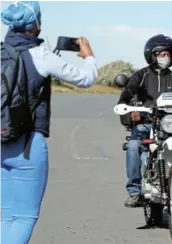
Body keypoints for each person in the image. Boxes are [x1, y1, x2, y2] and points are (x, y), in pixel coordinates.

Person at [1, 2, 98, 244]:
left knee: (5, 216)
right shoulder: (41, 55)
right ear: (36, 25)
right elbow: (87, 79)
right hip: (27, 145)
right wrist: (89, 57)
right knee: (23, 217)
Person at [117, 34, 172, 208]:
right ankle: (134, 192)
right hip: (146, 124)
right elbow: (123, 100)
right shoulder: (140, 76)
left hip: (171, 125)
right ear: (152, 55)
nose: (165, 57)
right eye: (161, 54)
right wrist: (130, 114)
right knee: (134, 147)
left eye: (168, 54)